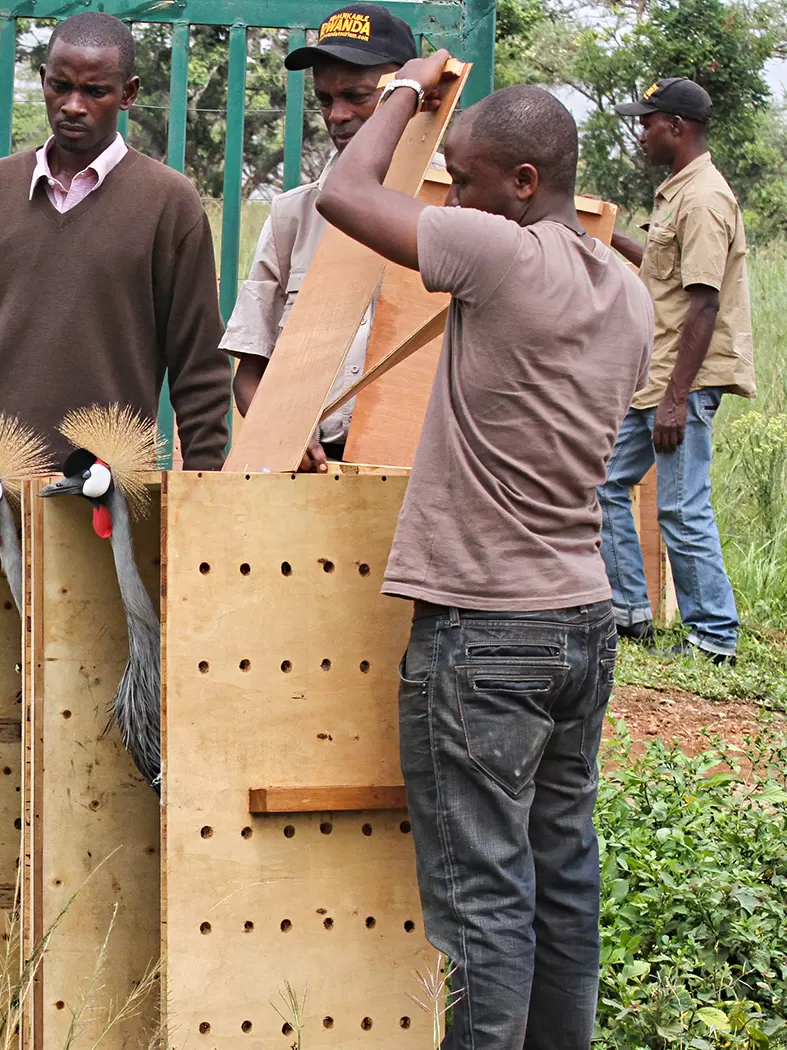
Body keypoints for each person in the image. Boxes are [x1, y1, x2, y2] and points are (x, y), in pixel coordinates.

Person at [315, 59, 654, 1050]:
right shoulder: (628, 296)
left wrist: (406, 93)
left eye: (464, 180)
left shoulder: (494, 253)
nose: (453, 197)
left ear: (522, 182)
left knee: (484, 903)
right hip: (582, 621)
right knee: (562, 877)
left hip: (485, 632)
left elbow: (344, 192)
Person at [0, 12, 231, 574]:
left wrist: (203, 491)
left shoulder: (168, 205)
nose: (74, 104)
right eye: (61, 85)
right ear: (42, 79)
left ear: (128, 94)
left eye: (95, 91)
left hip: (102, 496)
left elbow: (198, 367)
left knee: (99, 658)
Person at [225, 3, 424, 472]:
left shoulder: (454, 212)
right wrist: (281, 434)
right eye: (323, 99)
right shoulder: (293, 215)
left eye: (357, 95)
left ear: (412, 96)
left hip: (419, 474)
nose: (337, 115)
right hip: (314, 476)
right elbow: (248, 375)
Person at [598, 78, 754, 664]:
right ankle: (628, 614)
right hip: (656, 373)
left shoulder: (705, 198)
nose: (641, 133)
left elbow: (705, 302)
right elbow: (667, 273)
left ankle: (714, 638)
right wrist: (603, 239)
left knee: (682, 507)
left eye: (648, 122)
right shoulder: (677, 193)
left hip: (680, 382)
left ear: (677, 127)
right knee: (605, 481)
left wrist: (674, 400)